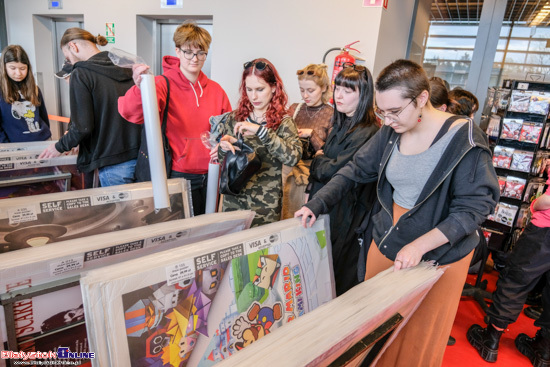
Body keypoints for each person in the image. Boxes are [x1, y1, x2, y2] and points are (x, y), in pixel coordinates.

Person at [295, 59, 499, 366]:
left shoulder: (464, 139)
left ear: (421, 99)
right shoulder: (391, 130)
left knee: (412, 340)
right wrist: (317, 203)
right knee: (371, 328)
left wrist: (419, 246)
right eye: (381, 111)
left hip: (438, 251)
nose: (387, 120)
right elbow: (354, 170)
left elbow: (474, 207)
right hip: (390, 234)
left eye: (394, 111)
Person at [119, 20, 231, 215]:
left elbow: (227, 128)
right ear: (178, 51)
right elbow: (131, 113)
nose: (194, 58)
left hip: (212, 175)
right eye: (188, 52)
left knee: (206, 234)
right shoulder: (162, 84)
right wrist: (140, 87)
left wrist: (224, 143)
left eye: (201, 52)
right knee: (180, 235)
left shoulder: (216, 90)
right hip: (176, 175)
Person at [304, 63, 379, 296]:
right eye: (338, 88)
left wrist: (318, 160)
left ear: (363, 95)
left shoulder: (369, 131)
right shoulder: (341, 122)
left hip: (346, 210)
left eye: (348, 91)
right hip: (326, 203)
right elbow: (327, 167)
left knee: (333, 271)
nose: (339, 95)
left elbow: (336, 170)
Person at [467, 166, 550, 366]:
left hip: (545, 231)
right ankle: (544, 350)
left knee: (515, 280)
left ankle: (491, 340)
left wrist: (534, 205)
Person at [39, 27, 141, 187]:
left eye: (68, 58)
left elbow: (83, 127)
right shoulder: (126, 65)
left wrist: (59, 147)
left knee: (120, 210)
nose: (71, 63)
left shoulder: (81, 73)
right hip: (140, 157)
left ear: (73, 47)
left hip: (110, 161)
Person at [215, 58, 301, 227]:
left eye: (260, 89)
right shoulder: (234, 118)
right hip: (233, 204)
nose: (253, 96)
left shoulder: (283, 122)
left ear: (274, 87)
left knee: (263, 254)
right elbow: (221, 161)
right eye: (249, 89)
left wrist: (260, 131)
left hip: (265, 210)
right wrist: (224, 146)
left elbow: (293, 157)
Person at [281, 63, 333, 220]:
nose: (305, 95)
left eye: (310, 90)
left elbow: (329, 153)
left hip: (311, 180)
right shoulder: (295, 109)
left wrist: (312, 135)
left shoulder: (332, 114)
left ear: (323, 88)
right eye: (302, 90)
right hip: (287, 173)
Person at [0, 45, 51, 143]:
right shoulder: (1, 92)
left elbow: (43, 116)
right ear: (4, 67)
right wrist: (6, 146)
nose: (18, 73)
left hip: (43, 141)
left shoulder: (35, 89)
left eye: (22, 68)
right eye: (13, 68)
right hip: (15, 147)